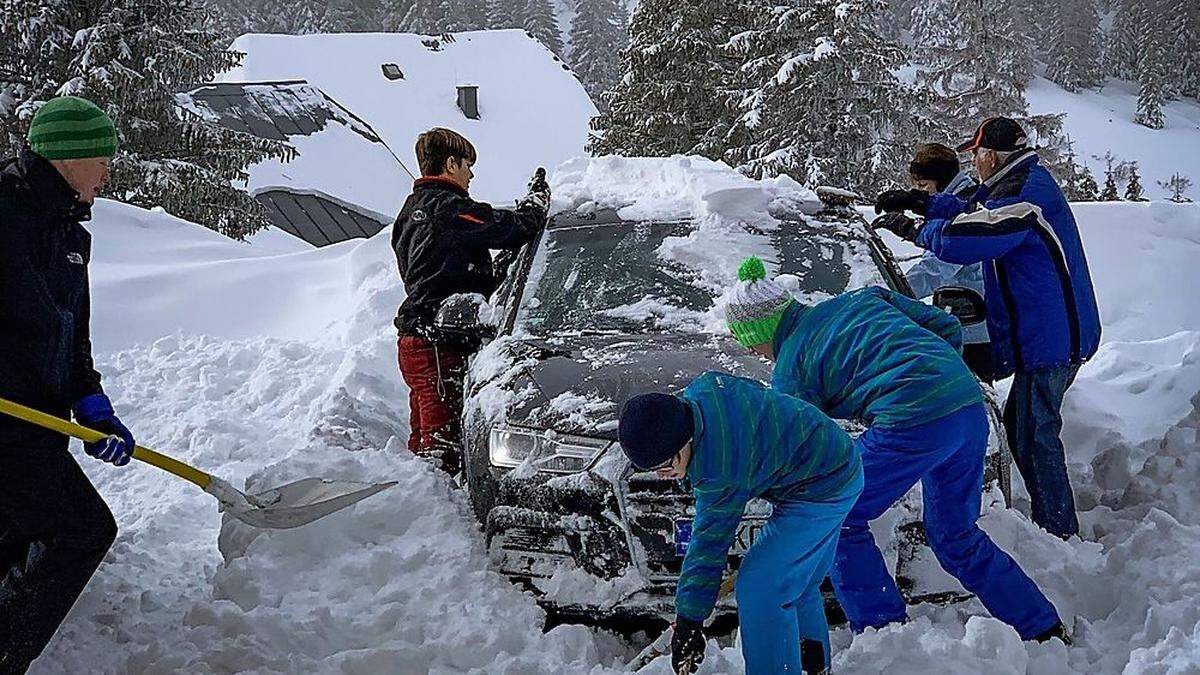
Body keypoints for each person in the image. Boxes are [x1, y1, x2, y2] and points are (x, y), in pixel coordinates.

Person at [724, 256, 1069, 644]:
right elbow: (945, 324)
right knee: (956, 535)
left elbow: (796, 449)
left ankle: (884, 634)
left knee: (838, 516)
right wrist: (936, 377)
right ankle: (1043, 628)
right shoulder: (863, 299)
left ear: (760, 332)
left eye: (752, 345)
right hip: (966, 407)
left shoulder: (791, 368)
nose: (758, 355)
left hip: (911, 421)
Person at [872, 117, 1101, 540]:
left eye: (975, 154)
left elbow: (975, 233)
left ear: (992, 155)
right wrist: (922, 203)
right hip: (1046, 333)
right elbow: (976, 207)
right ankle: (1055, 527)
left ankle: (1060, 534)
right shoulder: (1017, 185)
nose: (973, 163)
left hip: (1052, 338)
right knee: (1026, 429)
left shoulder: (1026, 194)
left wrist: (915, 228)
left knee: (1034, 436)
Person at [0, 96, 137, 673]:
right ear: (69, 157)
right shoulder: (4, 216)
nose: (108, 167)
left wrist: (91, 404)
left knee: (14, 538)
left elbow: (69, 331)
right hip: (7, 426)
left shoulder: (70, 234)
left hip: (40, 419)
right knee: (79, 532)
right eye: (101, 155)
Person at [618, 372, 863, 674]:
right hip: (835, 458)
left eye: (667, 464)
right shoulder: (703, 390)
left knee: (760, 588)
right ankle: (813, 665)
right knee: (797, 585)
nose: (663, 475)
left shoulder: (720, 466)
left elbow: (708, 546)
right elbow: (752, 391)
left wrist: (690, 620)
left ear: (685, 440)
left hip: (823, 486)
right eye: (654, 469)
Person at [392, 128, 549, 475]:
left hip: (417, 340)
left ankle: (416, 505)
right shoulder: (448, 208)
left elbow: (431, 271)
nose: (471, 173)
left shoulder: (410, 211)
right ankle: (433, 518)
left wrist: (490, 273)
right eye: (467, 164)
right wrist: (535, 209)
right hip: (438, 341)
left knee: (423, 442)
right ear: (450, 164)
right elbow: (505, 227)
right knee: (440, 452)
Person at [880, 143, 994, 382]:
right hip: (961, 319)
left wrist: (892, 293)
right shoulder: (961, 200)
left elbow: (936, 267)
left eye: (924, 186)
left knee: (970, 397)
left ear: (941, 180)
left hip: (972, 328)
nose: (922, 193)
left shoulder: (963, 210)